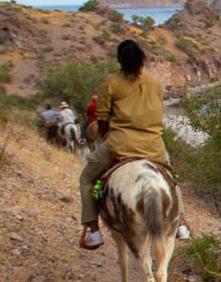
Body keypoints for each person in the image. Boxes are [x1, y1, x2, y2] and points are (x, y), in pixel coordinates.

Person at [78, 40, 189, 250]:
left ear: (120, 59)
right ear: (142, 60)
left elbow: (102, 118)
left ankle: (94, 230)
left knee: (87, 179)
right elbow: (157, 112)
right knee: (172, 178)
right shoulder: (154, 83)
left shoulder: (111, 81)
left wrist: (104, 133)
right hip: (154, 145)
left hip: (120, 144)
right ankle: (180, 221)